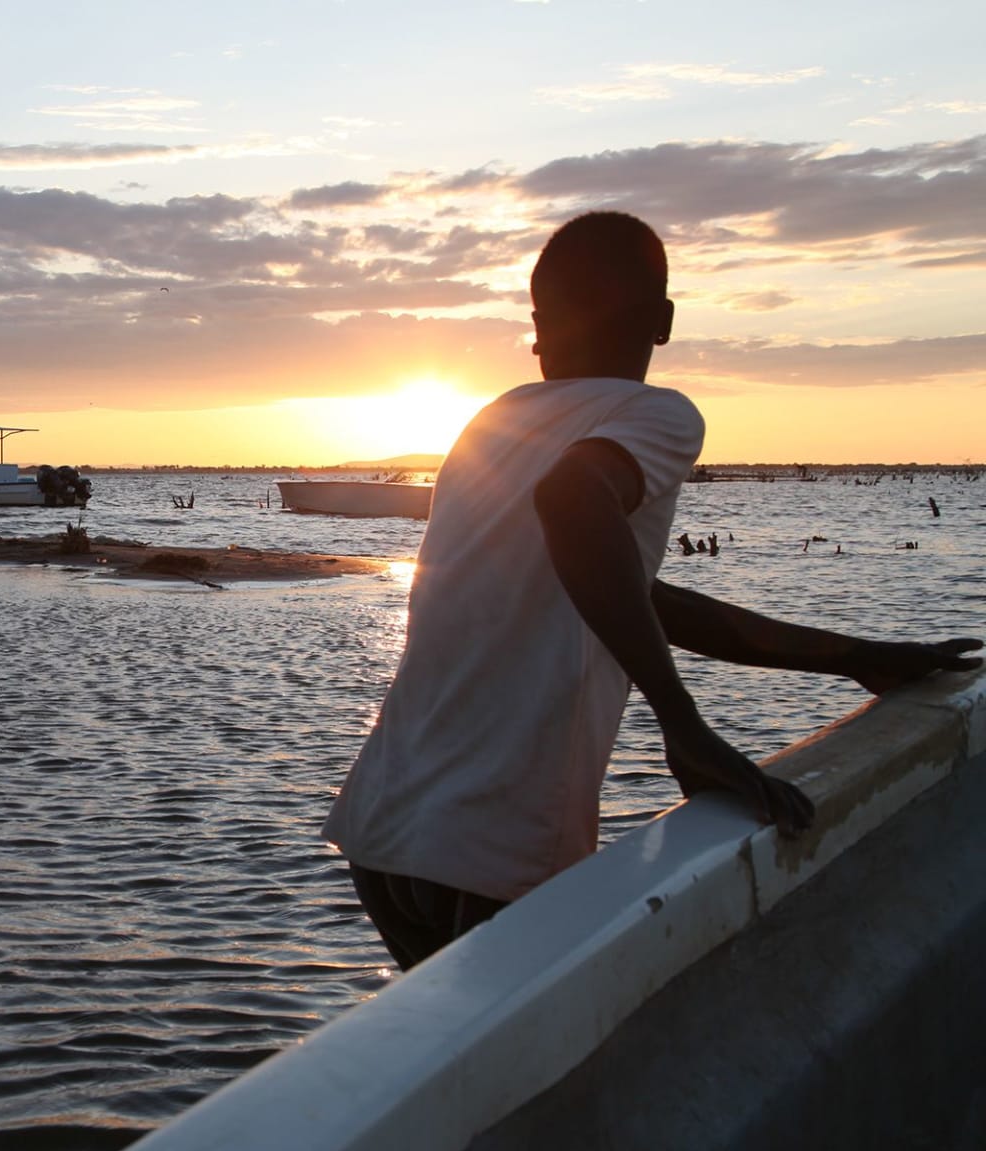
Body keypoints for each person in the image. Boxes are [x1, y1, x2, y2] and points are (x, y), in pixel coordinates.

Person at [325, 211, 981, 972]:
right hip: (490, 847)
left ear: (538, 327)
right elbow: (573, 505)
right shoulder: (654, 413)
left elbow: (633, 597)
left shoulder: (490, 423)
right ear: (662, 321)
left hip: (382, 837)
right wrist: (684, 725)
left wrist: (855, 655)